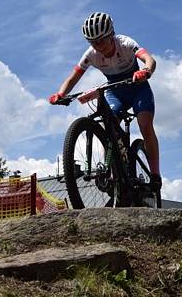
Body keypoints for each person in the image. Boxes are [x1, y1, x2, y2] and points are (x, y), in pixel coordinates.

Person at [49, 11, 161, 191]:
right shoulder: (91, 54)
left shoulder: (125, 43)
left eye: (101, 40)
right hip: (115, 91)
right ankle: (115, 169)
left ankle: (155, 174)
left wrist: (146, 70)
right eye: (92, 42)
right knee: (108, 124)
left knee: (145, 124)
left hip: (138, 88)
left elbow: (149, 59)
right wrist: (60, 94)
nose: (97, 46)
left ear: (111, 35)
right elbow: (73, 77)